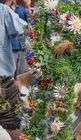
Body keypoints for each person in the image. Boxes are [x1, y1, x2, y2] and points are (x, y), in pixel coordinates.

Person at [0, 2, 27, 140]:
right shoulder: (3, 11)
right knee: (16, 126)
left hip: (4, 84)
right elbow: (26, 32)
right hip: (3, 85)